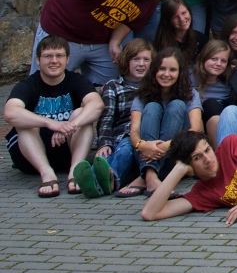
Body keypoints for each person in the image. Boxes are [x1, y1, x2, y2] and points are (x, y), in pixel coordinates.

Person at [33, 0, 180, 85]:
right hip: (61, 32)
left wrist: (115, 42)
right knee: (45, 83)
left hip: (98, 42)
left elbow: (129, 22)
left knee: (111, 85)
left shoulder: (151, 0)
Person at [5, 36, 102, 197]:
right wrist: (52, 123)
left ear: (67, 59)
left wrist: (71, 125)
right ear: (38, 60)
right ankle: (47, 174)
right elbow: (10, 112)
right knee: (25, 121)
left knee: (81, 114)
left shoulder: (76, 80)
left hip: (67, 150)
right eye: (48, 56)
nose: (54, 61)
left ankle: (75, 171)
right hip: (30, 158)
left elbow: (97, 104)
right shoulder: (28, 84)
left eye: (59, 56)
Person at [128, 47, 204, 195]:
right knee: (152, 107)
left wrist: (164, 146)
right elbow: (134, 130)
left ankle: (146, 176)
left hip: (174, 156)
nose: (166, 74)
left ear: (180, 73)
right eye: (162, 69)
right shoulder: (142, 94)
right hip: (146, 152)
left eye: (172, 70)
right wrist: (142, 145)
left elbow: (195, 130)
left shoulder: (190, 94)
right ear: (154, 70)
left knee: (177, 105)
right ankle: (151, 175)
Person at [92, 39, 154, 195]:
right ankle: (91, 178)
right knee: (104, 156)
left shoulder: (154, 87)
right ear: (126, 61)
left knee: (125, 151)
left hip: (137, 137)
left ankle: (110, 179)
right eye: (136, 59)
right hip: (117, 136)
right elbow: (106, 118)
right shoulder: (113, 86)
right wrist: (104, 144)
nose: (141, 64)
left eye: (146, 59)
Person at [194, 40, 232, 142]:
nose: (218, 64)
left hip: (215, 126)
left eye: (223, 61)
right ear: (204, 58)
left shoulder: (228, 85)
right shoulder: (189, 77)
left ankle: (218, 150)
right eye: (214, 59)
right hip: (190, 125)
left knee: (211, 104)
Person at [153, 0, 206, 64]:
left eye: (184, 13)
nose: (181, 19)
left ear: (189, 11)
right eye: (175, 17)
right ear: (168, 21)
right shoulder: (161, 43)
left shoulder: (200, 38)